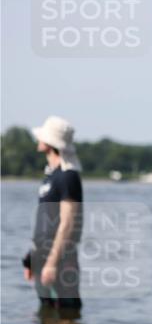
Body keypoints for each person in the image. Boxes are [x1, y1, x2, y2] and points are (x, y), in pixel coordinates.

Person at [23, 116, 84, 309]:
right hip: (42, 256)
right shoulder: (51, 175)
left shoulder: (68, 177)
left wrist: (52, 262)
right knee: (46, 317)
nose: (38, 139)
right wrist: (31, 259)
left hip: (60, 260)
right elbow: (45, 224)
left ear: (50, 143)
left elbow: (67, 223)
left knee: (65, 316)